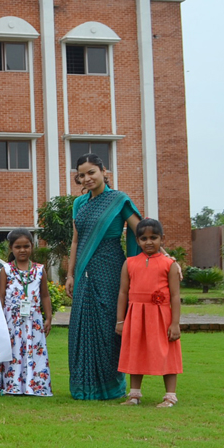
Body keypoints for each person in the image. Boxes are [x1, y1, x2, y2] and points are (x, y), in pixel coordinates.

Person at [64, 153, 141, 401]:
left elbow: (142, 230)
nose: (87, 178)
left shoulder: (118, 200)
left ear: (104, 171)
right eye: (82, 175)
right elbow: (76, 241)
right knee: (82, 325)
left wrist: (162, 256)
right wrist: (70, 273)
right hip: (84, 271)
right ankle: (85, 387)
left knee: (109, 326)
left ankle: (111, 386)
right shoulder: (79, 204)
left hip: (111, 269)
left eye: (91, 172)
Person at [115, 218, 183, 407]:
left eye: (154, 237)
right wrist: (120, 320)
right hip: (136, 315)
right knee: (135, 351)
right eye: (144, 238)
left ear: (162, 239)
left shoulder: (170, 264)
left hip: (161, 316)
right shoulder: (129, 263)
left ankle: (170, 396)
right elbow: (123, 293)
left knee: (167, 352)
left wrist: (175, 323)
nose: (149, 242)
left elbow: (176, 296)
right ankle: (134, 395)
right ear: (137, 241)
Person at [0, 229, 53, 397]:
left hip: (33, 319)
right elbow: (0, 295)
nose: (22, 250)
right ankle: (11, 384)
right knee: (12, 350)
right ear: (11, 248)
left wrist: (48, 317)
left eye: (26, 246)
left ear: (32, 246)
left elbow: (45, 295)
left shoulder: (39, 270)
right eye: (18, 247)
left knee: (33, 350)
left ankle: (34, 385)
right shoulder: (6, 270)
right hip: (11, 319)